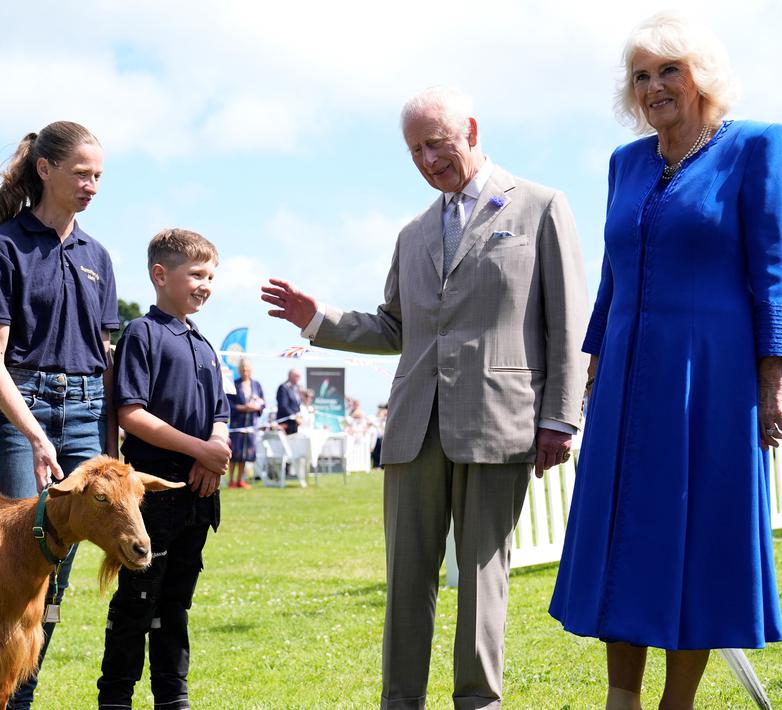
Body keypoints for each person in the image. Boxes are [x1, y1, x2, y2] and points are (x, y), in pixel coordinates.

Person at [262, 86, 588, 709]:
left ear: (469, 128)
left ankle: (478, 703)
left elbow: (568, 323)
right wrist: (317, 318)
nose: (427, 161)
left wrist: (559, 418)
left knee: (481, 582)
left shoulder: (542, 207)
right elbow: (394, 327)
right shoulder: (413, 234)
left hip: (501, 425)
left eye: (436, 144)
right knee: (406, 581)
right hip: (414, 429)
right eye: (414, 151)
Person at [548, 12, 782, 709]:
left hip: (712, 380)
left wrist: (769, 379)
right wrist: (591, 370)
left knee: (700, 535)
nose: (653, 86)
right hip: (626, 377)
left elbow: (775, 269)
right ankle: (621, 698)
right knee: (622, 531)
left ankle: (675, 703)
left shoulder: (754, 147)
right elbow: (612, 277)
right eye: (640, 76)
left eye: (668, 70)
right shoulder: (623, 163)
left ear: (701, 77)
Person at [0, 120, 118, 709]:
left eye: (99, 176)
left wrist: (109, 450)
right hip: (19, 417)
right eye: (81, 173)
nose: (91, 186)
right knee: (3, 581)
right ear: (45, 170)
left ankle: (16, 702)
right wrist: (32, 433)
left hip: (85, 419)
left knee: (50, 582)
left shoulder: (98, 257)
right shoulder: (3, 247)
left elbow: (104, 360)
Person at [97, 228, 231, 710]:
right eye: (196, 273)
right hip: (152, 502)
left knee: (176, 606)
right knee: (136, 604)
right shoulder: (142, 334)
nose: (206, 284)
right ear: (161, 275)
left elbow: (221, 414)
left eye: (211, 275)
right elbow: (131, 413)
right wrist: (199, 449)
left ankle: (173, 699)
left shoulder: (205, 345)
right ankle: (115, 700)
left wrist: (213, 453)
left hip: (198, 500)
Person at [227, 358, 265, 488]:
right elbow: (229, 404)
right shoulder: (234, 384)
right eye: (243, 368)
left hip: (251, 426)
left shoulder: (257, 385)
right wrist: (243, 408)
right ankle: (231, 480)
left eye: (247, 368)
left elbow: (262, 402)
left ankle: (240, 480)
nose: (245, 370)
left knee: (245, 455)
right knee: (234, 453)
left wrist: (257, 407)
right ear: (239, 370)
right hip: (238, 425)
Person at [275, 368, 303, 434]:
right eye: (297, 376)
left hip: (295, 424)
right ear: (290, 376)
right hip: (285, 423)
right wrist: (294, 416)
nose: (298, 378)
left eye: (299, 376)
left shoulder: (297, 388)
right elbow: (283, 405)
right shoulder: (283, 387)